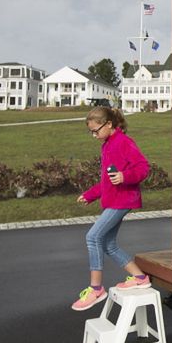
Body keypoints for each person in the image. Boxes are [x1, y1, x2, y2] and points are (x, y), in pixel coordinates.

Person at [72, 106, 152, 311]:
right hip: (113, 200)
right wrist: (89, 195)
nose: (94, 135)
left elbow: (143, 167)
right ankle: (140, 277)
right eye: (91, 132)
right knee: (108, 243)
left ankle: (96, 288)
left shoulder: (124, 142)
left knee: (93, 237)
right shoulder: (107, 145)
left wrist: (125, 177)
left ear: (108, 124)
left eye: (96, 130)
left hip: (123, 200)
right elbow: (107, 180)